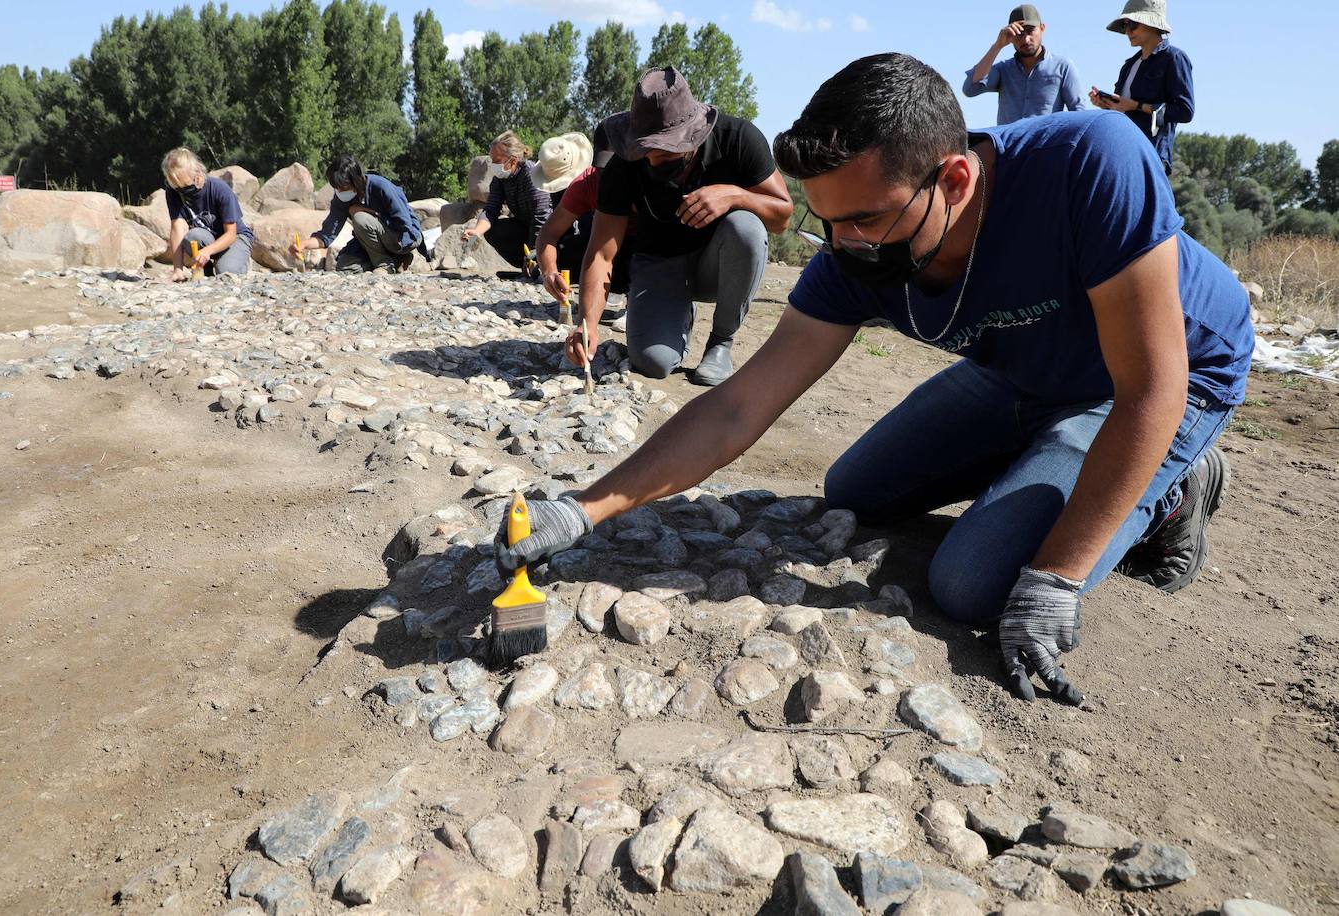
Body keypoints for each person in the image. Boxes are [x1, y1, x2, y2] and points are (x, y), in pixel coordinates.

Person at [493, 54, 1253, 706]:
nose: (845, 246)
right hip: (1022, 369)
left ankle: (1176, 489)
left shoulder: (1090, 161)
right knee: (855, 491)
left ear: (953, 179)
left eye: (864, 221)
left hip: (1159, 379)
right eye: (829, 224)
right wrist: (583, 511)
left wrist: (1056, 576)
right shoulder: (857, 245)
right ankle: (1050, 457)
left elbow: (1154, 386)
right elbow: (738, 407)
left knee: (973, 586)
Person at [571, 67, 793, 387]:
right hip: (658, 263)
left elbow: (782, 216)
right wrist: (587, 324)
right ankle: (677, 314)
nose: (651, 162)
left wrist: (734, 195)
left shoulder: (738, 139)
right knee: (653, 362)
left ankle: (720, 342)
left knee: (746, 227)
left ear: (692, 137)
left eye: (663, 153)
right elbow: (601, 254)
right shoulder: (624, 164)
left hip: (717, 265)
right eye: (644, 151)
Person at [534, 118, 635, 311]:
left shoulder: (654, 178)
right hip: (609, 251)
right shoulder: (587, 184)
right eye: (606, 171)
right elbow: (548, 234)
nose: (613, 178)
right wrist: (549, 272)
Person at [1090, 0, 1194, 174]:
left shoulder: (1174, 58)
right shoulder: (1129, 65)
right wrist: (1107, 105)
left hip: (1152, 156)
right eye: (1124, 25)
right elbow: (1122, 108)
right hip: (1121, 153)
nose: (1127, 31)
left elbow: (1184, 111)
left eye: (1132, 24)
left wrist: (1137, 106)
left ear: (1152, 23)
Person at [292, 155, 421, 273]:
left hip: (405, 236)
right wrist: (304, 245)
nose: (339, 191)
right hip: (374, 241)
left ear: (357, 181)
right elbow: (327, 234)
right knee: (345, 267)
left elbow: (404, 224)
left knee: (360, 218)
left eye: (343, 187)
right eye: (336, 187)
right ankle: (398, 260)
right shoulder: (341, 199)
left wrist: (366, 211)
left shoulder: (381, 187)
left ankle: (385, 265)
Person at [963, 4, 1087, 124]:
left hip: (1046, 144)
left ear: (1042, 28)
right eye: (1019, 33)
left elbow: (1079, 114)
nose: (1025, 39)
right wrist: (997, 46)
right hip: (1008, 144)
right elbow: (970, 89)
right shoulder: (1003, 70)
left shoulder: (1062, 66)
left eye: (1030, 31)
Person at [463, 131, 551, 273]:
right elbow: (491, 209)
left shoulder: (531, 174)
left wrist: (534, 252)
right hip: (525, 226)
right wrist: (477, 231)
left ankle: (538, 262)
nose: (493, 165)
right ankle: (527, 265)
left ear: (513, 159)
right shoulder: (500, 179)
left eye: (497, 160)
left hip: (549, 231)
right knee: (493, 231)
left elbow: (541, 215)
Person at [160, 147, 253, 280]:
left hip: (235, 237)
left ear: (197, 173)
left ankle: (237, 260)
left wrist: (207, 251)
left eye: (186, 187)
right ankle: (206, 269)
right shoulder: (173, 191)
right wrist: (177, 270)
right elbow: (177, 229)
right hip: (207, 237)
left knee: (226, 272)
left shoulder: (220, 189)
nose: (182, 192)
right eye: (177, 188)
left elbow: (231, 234)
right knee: (192, 236)